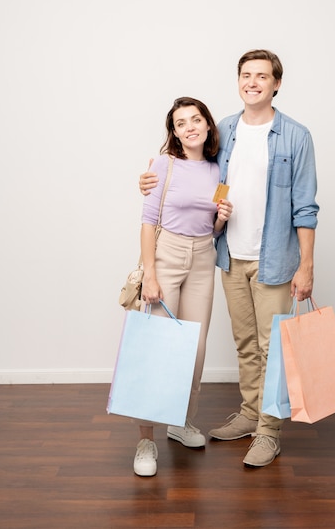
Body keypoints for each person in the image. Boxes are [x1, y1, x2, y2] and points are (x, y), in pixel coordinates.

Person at [139, 50, 319, 469]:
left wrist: (306, 266)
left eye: (262, 76)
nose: (252, 82)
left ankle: (269, 432)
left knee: (272, 345)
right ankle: (251, 413)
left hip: (274, 258)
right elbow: (194, 175)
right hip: (228, 256)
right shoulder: (225, 130)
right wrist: (149, 178)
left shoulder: (296, 136)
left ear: (276, 83)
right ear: (238, 81)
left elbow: (306, 208)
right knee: (245, 344)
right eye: (245, 75)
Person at [134, 96, 232, 477]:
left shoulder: (217, 170)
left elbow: (211, 227)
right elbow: (147, 221)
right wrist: (151, 273)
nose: (190, 126)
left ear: (208, 125)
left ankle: (179, 421)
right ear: (173, 132)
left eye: (196, 119)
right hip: (167, 254)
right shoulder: (163, 165)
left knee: (194, 347)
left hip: (203, 257)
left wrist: (222, 220)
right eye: (181, 123)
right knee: (157, 349)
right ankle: (146, 439)